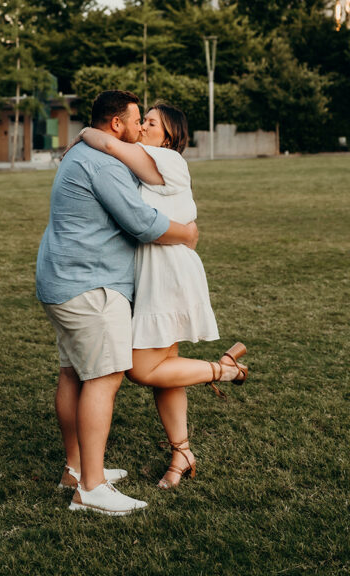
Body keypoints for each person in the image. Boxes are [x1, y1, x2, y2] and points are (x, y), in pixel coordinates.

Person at [35, 89, 201, 516]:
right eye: (136, 119)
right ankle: (91, 488)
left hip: (63, 279)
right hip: (90, 285)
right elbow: (141, 223)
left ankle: (76, 469)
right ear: (117, 125)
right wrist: (187, 233)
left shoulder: (85, 154)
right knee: (105, 377)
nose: (139, 126)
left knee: (73, 374)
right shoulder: (103, 160)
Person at [79, 101, 248, 489]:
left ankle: (224, 370)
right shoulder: (149, 162)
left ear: (169, 136)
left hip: (167, 273)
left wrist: (88, 133)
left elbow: (108, 145)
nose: (142, 128)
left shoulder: (167, 160)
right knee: (164, 371)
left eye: (150, 123)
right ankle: (182, 452)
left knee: (142, 368)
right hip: (157, 271)